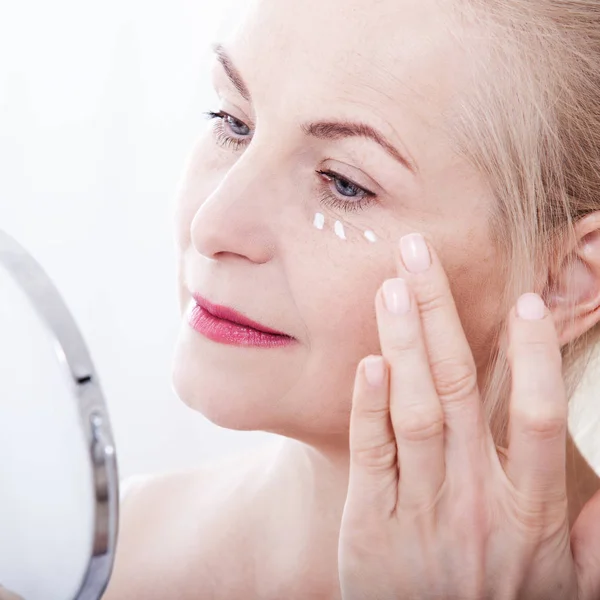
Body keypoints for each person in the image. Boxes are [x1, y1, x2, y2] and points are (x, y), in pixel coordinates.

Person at [101, 0, 600, 597]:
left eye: (344, 183)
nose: (213, 226)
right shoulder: (99, 559)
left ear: (563, 281)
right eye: (233, 122)